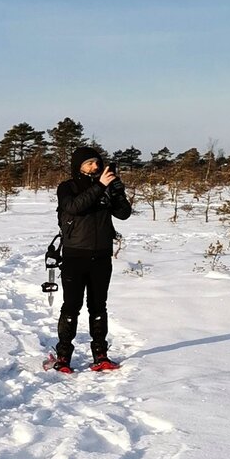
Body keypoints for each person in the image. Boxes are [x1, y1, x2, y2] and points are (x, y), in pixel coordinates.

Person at [52, 145, 132, 372]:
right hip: (75, 255)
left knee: (98, 306)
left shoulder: (106, 186)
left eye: (97, 163)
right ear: (78, 166)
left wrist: (117, 191)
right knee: (71, 306)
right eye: (89, 163)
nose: (95, 167)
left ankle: (101, 355)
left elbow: (124, 214)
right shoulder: (67, 187)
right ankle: (63, 357)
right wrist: (100, 186)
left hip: (101, 255)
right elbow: (74, 207)